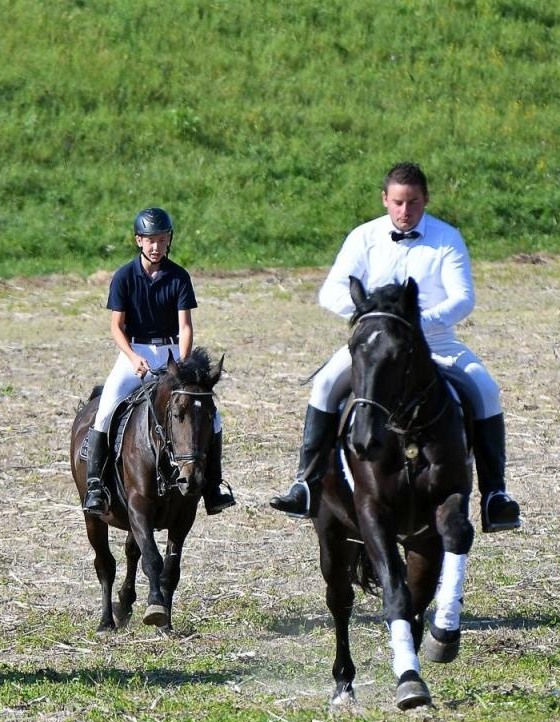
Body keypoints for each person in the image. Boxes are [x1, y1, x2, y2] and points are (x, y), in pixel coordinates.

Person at [269, 162, 522, 532]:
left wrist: (416, 324)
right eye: (399, 202)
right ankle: (306, 483)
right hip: (375, 346)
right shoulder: (363, 237)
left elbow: (462, 298)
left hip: (435, 342)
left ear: (426, 199)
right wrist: (375, 320)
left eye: (414, 202)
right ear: (385, 199)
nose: (406, 211)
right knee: (324, 384)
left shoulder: (447, 237)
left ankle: (495, 495)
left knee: (486, 389)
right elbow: (331, 291)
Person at [81, 207, 235, 516]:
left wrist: (183, 364)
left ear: (169, 241)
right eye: (150, 240)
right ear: (139, 241)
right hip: (135, 352)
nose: (156, 246)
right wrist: (132, 356)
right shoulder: (124, 277)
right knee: (106, 407)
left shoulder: (179, 277)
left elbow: (185, 327)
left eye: (162, 240)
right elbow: (116, 327)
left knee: (212, 416)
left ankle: (213, 487)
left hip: (173, 353)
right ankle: (96, 484)